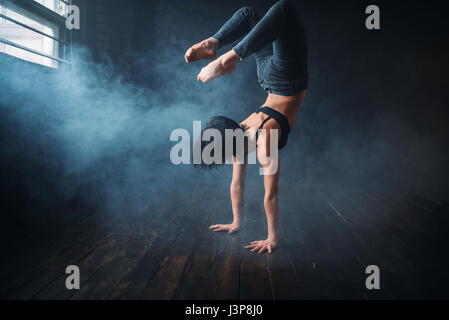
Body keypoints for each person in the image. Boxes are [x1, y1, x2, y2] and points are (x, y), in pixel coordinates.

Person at [185, 0, 308, 254]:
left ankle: (228, 58)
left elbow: (268, 195)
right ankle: (216, 43)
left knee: (284, 10)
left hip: (289, 79)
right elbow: (238, 186)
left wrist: (272, 238)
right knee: (250, 14)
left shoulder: (258, 144)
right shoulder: (239, 130)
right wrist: (236, 223)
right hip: (266, 75)